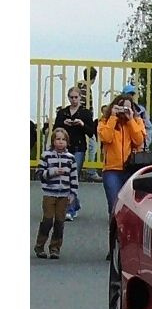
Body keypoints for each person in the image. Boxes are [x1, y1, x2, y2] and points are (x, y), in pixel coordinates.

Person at [96, 93, 147, 219]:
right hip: (112, 170)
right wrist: (113, 117)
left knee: (130, 205)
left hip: (131, 168)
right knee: (114, 203)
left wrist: (130, 120)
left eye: (127, 108)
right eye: (121, 107)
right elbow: (106, 138)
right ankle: (115, 231)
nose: (123, 111)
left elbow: (139, 140)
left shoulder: (136, 121)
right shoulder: (104, 122)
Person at [34, 127, 78, 259]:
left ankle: (55, 248)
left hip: (64, 195)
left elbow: (74, 177)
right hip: (49, 193)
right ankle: (40, 245)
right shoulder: (46, 156)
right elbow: (40, 174)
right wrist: (52, 172)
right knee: (47, 220)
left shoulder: (70, 158)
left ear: (67, 142)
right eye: (58, 139)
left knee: (60, 221)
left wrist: (73, 193)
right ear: (53, 141)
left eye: (63, 139)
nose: (60, 142)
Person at [53, 86, 95, 221]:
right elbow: (55, 129)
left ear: (80, 98)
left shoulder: (85, 113)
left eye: (76, 97)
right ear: (68, 98)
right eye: (71, 97)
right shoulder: (63, 112)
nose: (74, 100)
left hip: (78, 147)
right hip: (64, 149)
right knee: (65, 177)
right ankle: (74, 204)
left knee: (72, 176)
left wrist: (81, 124)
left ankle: (69, 209)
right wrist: (63, 124)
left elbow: (91, 132)